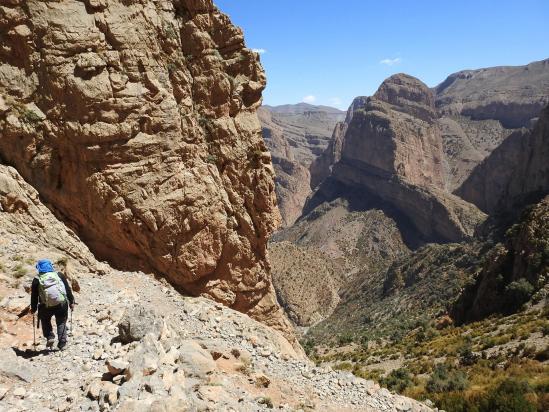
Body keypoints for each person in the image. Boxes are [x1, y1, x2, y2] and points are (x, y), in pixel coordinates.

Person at [30, 259, 75, 350]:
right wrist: (71, 301)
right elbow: (67, 289)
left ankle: (50, 337)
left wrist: (34, 308)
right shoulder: (59, 275)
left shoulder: (37, 279)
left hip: (45, 306)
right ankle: (62, 343)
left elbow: (34, 296)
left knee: (45, 320)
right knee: (61, 322)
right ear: (51, 266)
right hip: (61, 304)